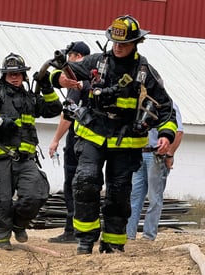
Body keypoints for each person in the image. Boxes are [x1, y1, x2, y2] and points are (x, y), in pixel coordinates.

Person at [49, 15, 177, 255]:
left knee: (119, 193)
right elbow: (62, 74)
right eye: (115, 42)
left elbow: (166, 108)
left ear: (136, 43)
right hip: (92, 136)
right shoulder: (96, 62)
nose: (118, 47)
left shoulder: (144, 72)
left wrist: (166, 136)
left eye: (124, 43)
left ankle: (113, 243)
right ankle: (85, 241)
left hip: (126, 142)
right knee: (85, 183)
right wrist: (59, 78)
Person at [0, 53, 62, 250]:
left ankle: (18, 224)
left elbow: (54, 108)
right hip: (1, 157)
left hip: (26, 159)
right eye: (10, 74)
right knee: (1, 200)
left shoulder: (30, 97)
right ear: (4, 76)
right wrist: (0, 120)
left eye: (18, 73)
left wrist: (47, 87)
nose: (14, 77)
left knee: (37, 194)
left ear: (24, 75)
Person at [48, 41, 91, 243]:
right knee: (86, 184)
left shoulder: (76, 80)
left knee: (71, 184)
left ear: (77, 56)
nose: (69, 60)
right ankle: (86, 230)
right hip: (93, 143)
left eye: (71, 56)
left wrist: (55, 140)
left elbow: (68, 114)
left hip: (77, 141)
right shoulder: (95, 79)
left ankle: (71, 230)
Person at [127, 103, 183, 241]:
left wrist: (169, 154)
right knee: (134, 196)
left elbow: (179, 132)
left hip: (156, 155)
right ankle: (129, 234)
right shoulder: (139, 103)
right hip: (139, 153)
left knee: (154, 198)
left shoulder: (169, 107)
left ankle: (148, 236)